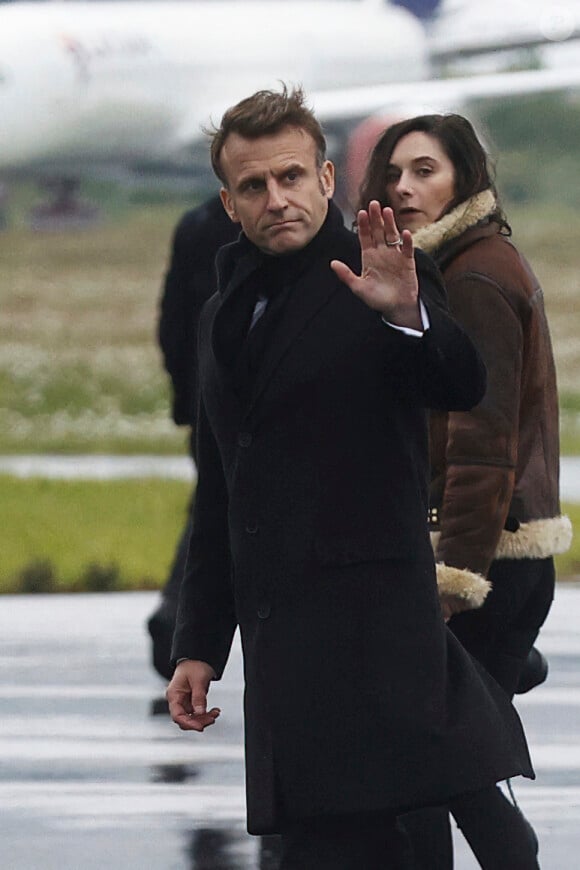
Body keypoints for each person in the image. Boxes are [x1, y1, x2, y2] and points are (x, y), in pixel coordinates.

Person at [166, 86, 534, 870]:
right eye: (255, 187)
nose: (279, 199)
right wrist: (198, 642)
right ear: (229, 203)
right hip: (283, 652)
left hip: (374, 643)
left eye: (293, 177)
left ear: (328, 181)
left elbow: (461, 384)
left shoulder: (386, 272)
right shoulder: (221, 314)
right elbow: (223, 489)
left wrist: (407, 317)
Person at [359, 112, 572, 867]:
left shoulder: (475, 274)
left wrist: (457, 579)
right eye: (393, 173)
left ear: (465, 179)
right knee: (438, 762)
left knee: (450, 765)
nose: (404, 187)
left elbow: (485, 443)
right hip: (494, 555)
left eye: (425, 171)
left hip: (486, 557)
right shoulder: (450, 264)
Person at [147, 196, 238, 684]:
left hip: (205, 397)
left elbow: (172, 322)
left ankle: (179, 616)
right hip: (231, 397)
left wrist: (187, 400)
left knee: (212, 506)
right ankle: (180, 618)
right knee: (220, 512)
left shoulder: (196, 223)